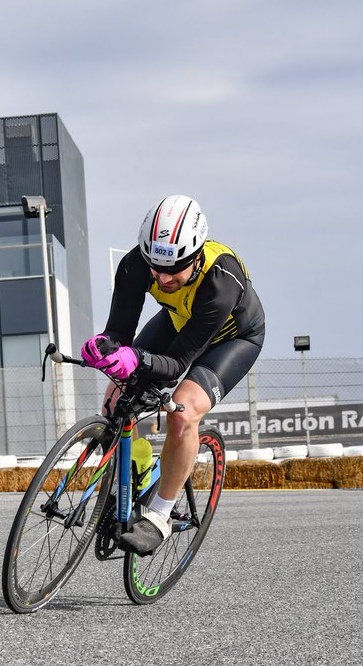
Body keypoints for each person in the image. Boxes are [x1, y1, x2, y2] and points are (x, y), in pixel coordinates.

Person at [82, 194, 264, 554]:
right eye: (156, 267)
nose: (162, 278)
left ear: (196, 256)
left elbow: (179, 365)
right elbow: (119, 331)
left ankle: (161, 514)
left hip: (233, 340)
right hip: (179, 322)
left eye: (173, 269)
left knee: (182, 411)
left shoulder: (220, 280)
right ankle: (134, 472)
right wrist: (104, 346)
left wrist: (137, 358)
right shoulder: (137, 264)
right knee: (117, 397)